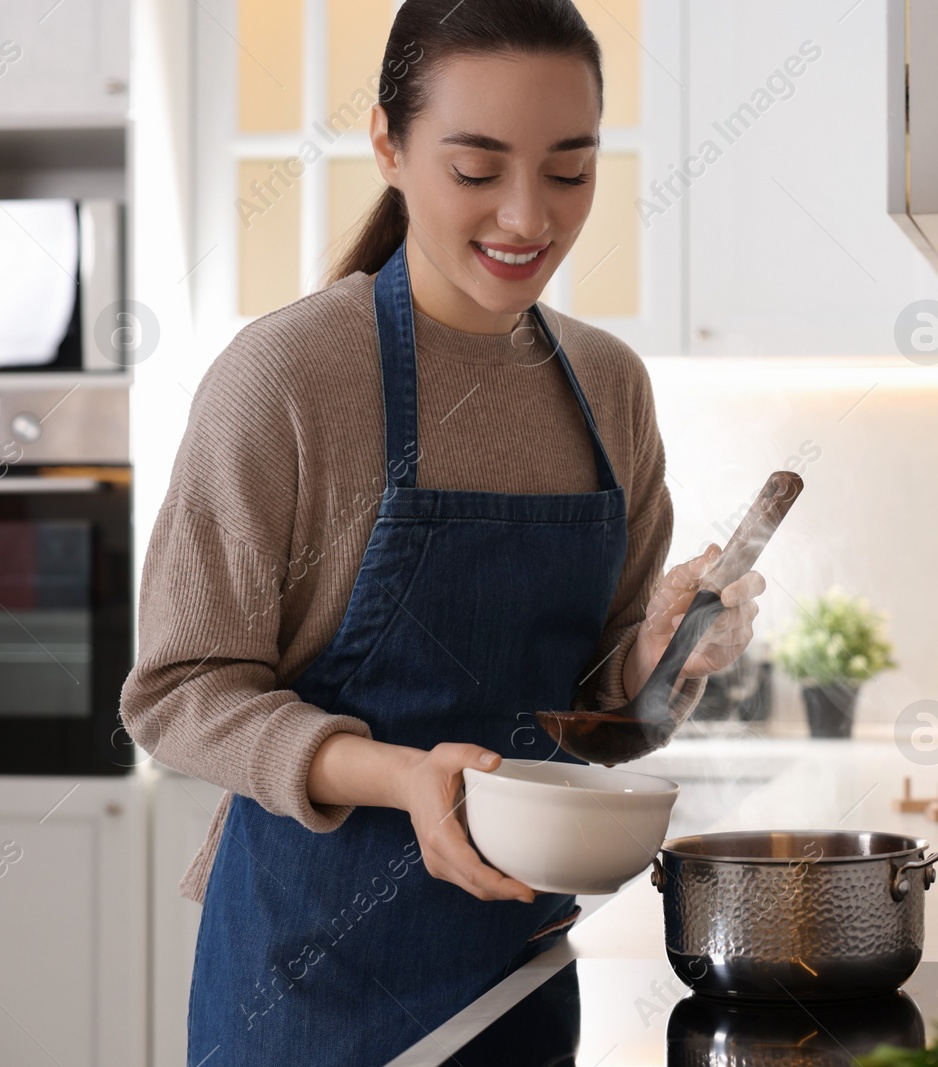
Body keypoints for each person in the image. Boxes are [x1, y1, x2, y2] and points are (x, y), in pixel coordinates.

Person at [120, 2, 766, 1062]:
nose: (527, 217)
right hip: (305, 985)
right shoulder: (285, 379)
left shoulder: (608, 388)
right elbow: (178, 690)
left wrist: (658, 659)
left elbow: (602, 719)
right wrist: (401, 775)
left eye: (569, 171)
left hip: (518, 968)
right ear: (388, 143)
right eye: (476, 170)